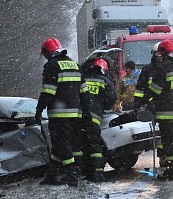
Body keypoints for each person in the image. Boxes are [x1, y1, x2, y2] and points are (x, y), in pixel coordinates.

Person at [35, 37, 83, 187]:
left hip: (59, 114)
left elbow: (48, 91)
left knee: (63, 144)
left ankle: (72, 176)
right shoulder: (74, 65)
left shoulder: (52, 66)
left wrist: (39, 109)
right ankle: (52, 175)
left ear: (47, 52)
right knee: (58, 144)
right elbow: (83, 90)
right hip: (75, 113)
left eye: (44, 54)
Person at [146, 39, 173, 181]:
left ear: (164, 53)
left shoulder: (162, 68)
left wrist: (148, 101)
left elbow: (154, 91)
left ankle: (171, 173)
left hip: (166, 113)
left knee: (168, 144)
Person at [79, 58, 117, 182]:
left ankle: (81, 171)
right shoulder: (104, 81)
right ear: (103, 70)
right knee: (95, 145)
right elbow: (111, 99)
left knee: (80, 145)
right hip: (94, 117)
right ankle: (97, 173)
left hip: (78, 117)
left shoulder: (82, 79)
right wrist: (102, 106)